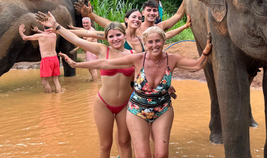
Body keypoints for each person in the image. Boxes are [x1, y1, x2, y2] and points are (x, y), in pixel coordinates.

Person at [59, 26, 212, 158]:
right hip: (137, 110)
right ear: (145, 44)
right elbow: (105, 62)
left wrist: (205, 51)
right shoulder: (137, 58)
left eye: (157, 41)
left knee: (161, 154)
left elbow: (197, 65)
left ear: (163, 42)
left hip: (162, 109)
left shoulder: (173, 59)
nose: (154, 45)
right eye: (150, 42)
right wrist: (77, 64)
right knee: (142, 154)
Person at [35, 12, 134, 158]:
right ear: (106, 38)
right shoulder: (102, 50)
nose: (115, 39)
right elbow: (77, 40)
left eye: (118, 35)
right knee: (105, 145)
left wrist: (165, 86)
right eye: (111, 36)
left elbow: (146, 74)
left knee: (125, 142)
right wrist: (56, 26)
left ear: (124, 35)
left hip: (125, 104)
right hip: (104, 104)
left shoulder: (134, 54)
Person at [18, 24, 62, 93]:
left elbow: (24, 38)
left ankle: (49, 98)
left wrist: (20, 32)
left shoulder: (40, 36)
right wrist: (38, 30)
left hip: (46, 60)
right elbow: (47, 34)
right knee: (56, 80)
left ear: (43, 27)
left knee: (44, 81)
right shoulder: (54, 35)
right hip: (55, 58)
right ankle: (58, 97)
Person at [82, 17, 99, 81]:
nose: (85, 24)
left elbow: (87, 42)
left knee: (93, 69)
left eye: (87, 23)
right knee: (90, 68)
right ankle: (94, 81)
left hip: (92, 52)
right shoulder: (86, 31)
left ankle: (94, 85)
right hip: (89, 52)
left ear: (90, 23)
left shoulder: (91, 31)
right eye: (84, 23)